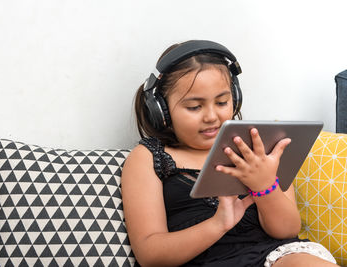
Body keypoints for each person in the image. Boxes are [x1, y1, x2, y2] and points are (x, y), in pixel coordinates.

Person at [121, 40, 338, 267]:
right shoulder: (148, 158)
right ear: (161, 111)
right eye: (195, 107)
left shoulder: (257, 148)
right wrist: (219, 224)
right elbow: (150, 255)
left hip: (275, 257)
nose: (211, 116)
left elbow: (286, 230)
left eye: (222, 102)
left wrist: (265, 185)